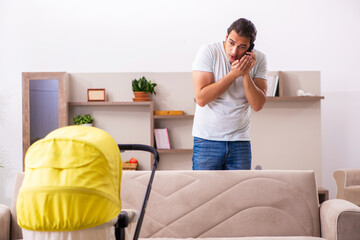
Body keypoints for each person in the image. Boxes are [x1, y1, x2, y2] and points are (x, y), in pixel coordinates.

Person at [192, 18, 267, 170]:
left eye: (241, 47)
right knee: (204, 192)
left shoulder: (259, 59)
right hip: (207, 140)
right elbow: (201, 98)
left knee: (239, 193)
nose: (234, 51)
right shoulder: (209, 52)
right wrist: (234, 75)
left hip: (240, 141)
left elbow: (258, 105)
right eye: (231, 43)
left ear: (250, 48)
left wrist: (245, 73)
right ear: (226, 37)